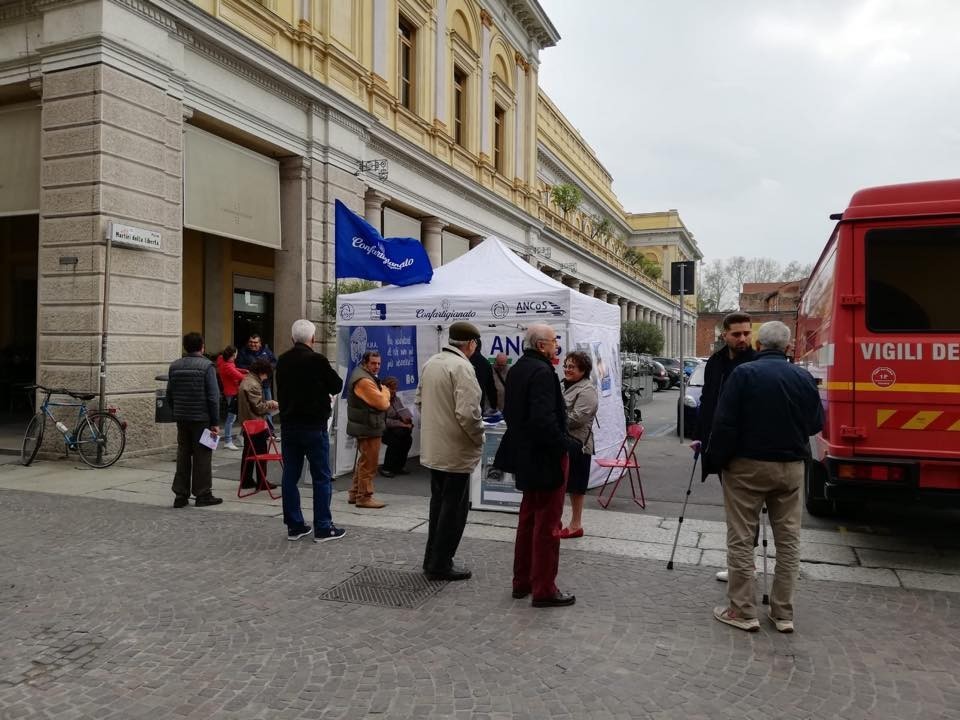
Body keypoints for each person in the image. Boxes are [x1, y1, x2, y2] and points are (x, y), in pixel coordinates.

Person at [707, 321, 823, 634]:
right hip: (790, 467)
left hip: (747, 465)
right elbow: (815, 424)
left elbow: (725, 422)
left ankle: (743, 610)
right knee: (789, 540)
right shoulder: (803, 377)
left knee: (742, 537)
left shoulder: (743, 375)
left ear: (759, 345)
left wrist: (716, 460)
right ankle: (783, 612)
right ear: (788, 348)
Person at [495, 323, 577, 608]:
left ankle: (522, 582)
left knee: (528, 520)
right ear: (541, 345)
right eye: (554, 341)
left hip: (525, 455)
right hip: (545, 458)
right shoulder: (542, 372)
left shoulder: (518, 369)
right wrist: (563, 444)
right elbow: (543, 419)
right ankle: (543, 589)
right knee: (547, 525)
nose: (557, 346)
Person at [416, 322, 485, 581]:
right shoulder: (462, 367)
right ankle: (441, 563)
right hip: (455, 450)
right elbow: (468, 413)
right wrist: (479, 437)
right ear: (471, 344)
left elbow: (420, 401)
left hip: (435, 449)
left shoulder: (432, 362)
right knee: (453, 510)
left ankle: (432, 559)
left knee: (439, 504)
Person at [694, 311, 756, 583]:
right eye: (737, 334)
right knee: (735, 510)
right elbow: (707, 400)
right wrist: (700, 436)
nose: (742, 338)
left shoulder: (755, 362)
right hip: (719, 446)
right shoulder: (715, 363)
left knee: (745, 511)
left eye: (746, 333)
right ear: (724, 335)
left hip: (747, 448)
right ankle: (742, 564)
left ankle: (744, 566)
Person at [275, 319, 345, 542]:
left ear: (292, 338)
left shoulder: (283, 361)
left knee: (290, 475)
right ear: (313, 339)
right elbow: (336, 385)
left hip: (289, 425)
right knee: (321, 477)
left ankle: (295, 525)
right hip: (314, 426)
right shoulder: (317, 360)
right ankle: (323, 527)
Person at [166, 332, 222, 508]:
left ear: (185, 347)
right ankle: (203, 493)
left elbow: (170, 394)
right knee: (202, 456)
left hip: (182, 418)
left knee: (183, 454)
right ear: (202, 346)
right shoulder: (207, 366)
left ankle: (180, 495)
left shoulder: (175, 366)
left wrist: (177, 411)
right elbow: (214, 397)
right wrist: (215, 422)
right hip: (202, 419)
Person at [559, 350, 599, 540]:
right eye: (566, 365)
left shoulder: (587, 389)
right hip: (561, 443)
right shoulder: (563, 385)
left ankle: (576, 525)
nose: (567, 369)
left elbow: (578, 418)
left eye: (572, 367)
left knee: (576, 487)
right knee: (560, 485)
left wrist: (552, 419)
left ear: (583, 370)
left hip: (578, 445)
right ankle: (557, 520)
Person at [346, 350, 391, 508]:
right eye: (373, 363)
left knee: (364, 460)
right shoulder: (364, 380)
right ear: (365, 362)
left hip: (366, 424)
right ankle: (364, 497)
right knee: (369, 463)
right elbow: (383, 403)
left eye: (379, 363)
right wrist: (385, 391)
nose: (377, 366)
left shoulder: (363, 375)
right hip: (368, 426)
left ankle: (355, 492)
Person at [237, 358, 279, 491]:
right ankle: (262, 481)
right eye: (267, 374)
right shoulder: (254, 384)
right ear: (262, 372)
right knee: (260, 453)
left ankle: (246, 479)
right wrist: (270, 404)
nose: (267, 378)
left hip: (248, 422)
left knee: (248, 453)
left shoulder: (247, 379)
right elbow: (259, 407)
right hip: (255, 424)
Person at [237, 334, 278, 434]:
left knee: (265, 405)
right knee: (259, 407)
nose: (253, 344)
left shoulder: (266, 351)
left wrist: (268, 369)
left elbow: (274, 362)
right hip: (254, 383)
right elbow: (239, 365)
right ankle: (262, 430)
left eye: (255, 342)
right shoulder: (243, 352)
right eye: (251, 342)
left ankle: (269, 430)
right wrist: (253, 368)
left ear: (260, 344)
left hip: (265, 385)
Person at [380, 376, 413, 477]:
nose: (394, 391)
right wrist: (401, 424)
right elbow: (384, 420)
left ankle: (399, 466)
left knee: (408, 439)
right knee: (395, 441)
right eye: (392, 388)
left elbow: (401, 412)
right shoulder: (381, 400)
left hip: (397, 429)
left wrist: (406, 420)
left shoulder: (396, 399)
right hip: (384, 429)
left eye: (395, 388)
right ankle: (387, 467)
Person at [216, 345, 246, 450]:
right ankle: (228, 440)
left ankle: (239, 436)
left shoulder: (223, 360)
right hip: (233, 392)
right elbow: (238, 376)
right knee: (231, 418)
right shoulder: (227, 366)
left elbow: (235, 370)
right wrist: (249, 375)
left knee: (237, 416)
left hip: (231, 392)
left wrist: (243, 370)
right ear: (233, 355)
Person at [469, 338, 498, 413]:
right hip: (479, 403)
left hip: (463, 402)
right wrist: (493, 405)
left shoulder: (464, 361)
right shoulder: (485, 363)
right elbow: (491, 387)